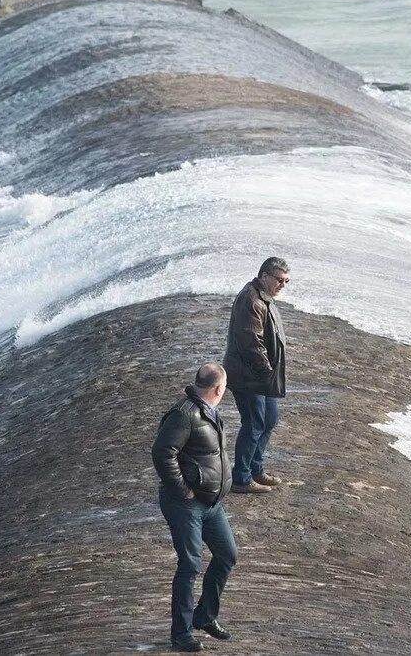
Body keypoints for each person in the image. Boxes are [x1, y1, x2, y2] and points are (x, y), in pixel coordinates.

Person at [152, 363, 237, 652]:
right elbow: (162, 452)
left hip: (211, 503)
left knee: (227, 555)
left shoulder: (211, 412)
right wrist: (182, 488)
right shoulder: (184, 414)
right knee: (189, 565)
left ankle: (205, 616)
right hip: (185, 503)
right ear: (218, 389)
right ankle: (181, 634)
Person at [222, 257, 289, 495]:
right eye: (279, 280)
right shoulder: (251, 299)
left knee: (269, 420)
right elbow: (251, 343)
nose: (283, 285)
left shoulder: (263, 296)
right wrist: (268, 371)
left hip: (260, 376)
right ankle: (241, 477)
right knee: (254, 424)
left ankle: (255, 469)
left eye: (286, 281)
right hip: (249, 376)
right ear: (264, 276)